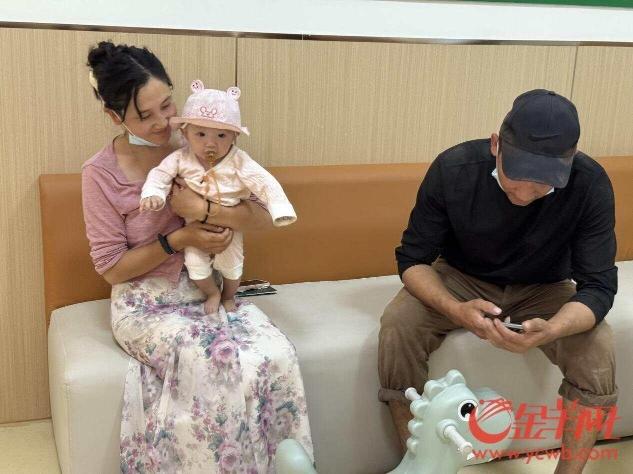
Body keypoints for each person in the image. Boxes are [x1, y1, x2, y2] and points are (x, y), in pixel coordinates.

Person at [82, 41, 312, 473]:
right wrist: (180, 238)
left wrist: (204, 210)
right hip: (145, 304)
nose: (163, 122)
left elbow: (263, 217)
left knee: (276, 354)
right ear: (115, 117)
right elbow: (111, 269)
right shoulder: (100, 174)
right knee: (213, 360)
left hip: (206, 289)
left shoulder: (205, 140)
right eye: (144, 116)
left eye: (167, 105)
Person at [378, 89, 617, 474]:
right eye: (516, 176)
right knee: (398, 324)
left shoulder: (589, 183)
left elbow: (599, 287)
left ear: (570, 160)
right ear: (496, 145)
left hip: (546, 287)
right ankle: (421, 465)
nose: (524, 194)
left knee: (598, 347)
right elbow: (413, 260)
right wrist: (455, 308)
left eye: (543, 184)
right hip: (460, 277)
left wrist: (553, 329)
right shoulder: (454, 168)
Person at [140, 80, 296, 315]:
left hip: (229, 225)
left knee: (233, 267)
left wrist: (280, 208)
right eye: (200, 134)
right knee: (196, 267)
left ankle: (228, 295)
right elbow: (160, 174)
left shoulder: (238, 160)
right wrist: (153, 194)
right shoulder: (181, 158)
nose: (210, 143)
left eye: (221, 135)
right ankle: (212, 292)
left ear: (234, 137)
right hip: (193, 227)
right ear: (185, 132)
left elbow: (264, 181)